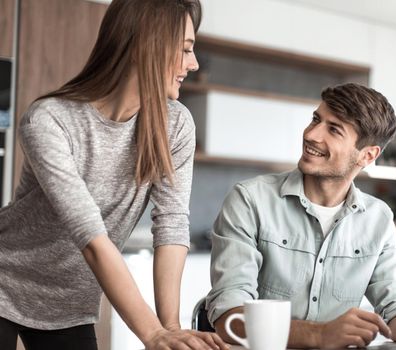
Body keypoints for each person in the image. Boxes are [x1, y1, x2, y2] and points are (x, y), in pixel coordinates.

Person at [0, 1, 228, 349]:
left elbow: (171, 224)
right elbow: (90, 236)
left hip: (70, 304)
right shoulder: (49, 120)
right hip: (5, 280)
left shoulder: (176, 126)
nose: (193, 63)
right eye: (185, 49)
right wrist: (151, 333)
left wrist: (170, 326)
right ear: (145, 46)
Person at [206, 83, 396, 349]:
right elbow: (229, 316)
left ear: (367, 155)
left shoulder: (378, 219)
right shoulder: (250, 200)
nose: (311, 135)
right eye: (316, 119)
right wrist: (320, 335)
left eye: (334, 129)